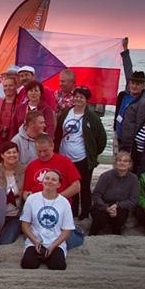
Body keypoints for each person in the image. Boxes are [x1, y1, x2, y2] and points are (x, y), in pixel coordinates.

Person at [53, 86, 107, 219]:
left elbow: (101, 138)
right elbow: (58, 131)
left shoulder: (92, 117)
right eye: (76, 96)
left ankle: (85, 213)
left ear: (86, 100)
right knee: (70, 185)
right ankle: (72, 211)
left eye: (81, 97)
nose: (78, 99)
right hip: (65, 156)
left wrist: (93, 153)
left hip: (82, 158)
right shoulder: (66, 113)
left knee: (84, 186)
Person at [20, 170, 75, 270]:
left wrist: (53, 246)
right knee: (28, 264)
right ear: (42, 181)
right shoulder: (31, 199)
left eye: (53, 180)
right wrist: (35, 241)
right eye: (47, 178)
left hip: (55, 242)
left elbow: (67, 230)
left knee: (58, 266)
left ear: (59, 185)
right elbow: (25, 225)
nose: (49, 181)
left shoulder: (64, 202)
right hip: (35, 241)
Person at [90, 150, 139, 235]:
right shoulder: (105, 176)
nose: (122, 163)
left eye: (125, 161)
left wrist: (117, 205)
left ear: (130, 164)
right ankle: (92, 234)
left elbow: (133, 200)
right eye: (119, 160)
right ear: (115, 163)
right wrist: (106, 207)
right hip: (103, 204)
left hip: (120, 206)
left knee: (119, 219)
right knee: (100, 219)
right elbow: (96, 195)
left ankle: (116, 234)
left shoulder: (133, 179)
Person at [0, 141, 25, 244]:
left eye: (14, 152)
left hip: (16, 215)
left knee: (6, 241)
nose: (12, 155)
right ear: (2, 155)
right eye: (8, 152)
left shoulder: (25, 170)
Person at [23, 135, 81, 202]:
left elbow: (76, 186)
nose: (42, 154)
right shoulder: (31, 166)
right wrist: (33, 200)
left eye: (45, 151)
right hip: (38, 204)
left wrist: (56, 199)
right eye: (39, 151)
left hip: (59, 204)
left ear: (52, 146)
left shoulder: (65, 162)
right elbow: (25, 192)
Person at [114, 38, 145, 149]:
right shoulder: (125, 94)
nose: (134, 86)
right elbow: (128, 69)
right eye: (132, 83)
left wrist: (131, 144)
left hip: (129, 144)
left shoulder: (143, 103)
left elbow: (139, 126)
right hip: (118, 137)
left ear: (143, 86)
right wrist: (125, 49)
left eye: (138, 84)